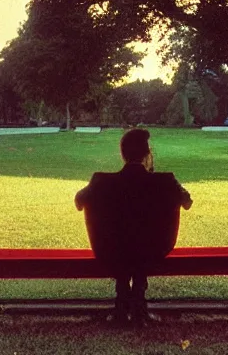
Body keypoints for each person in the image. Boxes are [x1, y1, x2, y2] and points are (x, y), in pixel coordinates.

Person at [75, 128, 192, 325]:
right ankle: (138, 307)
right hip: (153, 249)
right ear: (147, 153)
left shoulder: (100, 182)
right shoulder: (166, 181)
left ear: (123, 154)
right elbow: (187, 202)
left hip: (111, 249)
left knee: (125, 245)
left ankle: (122, 306)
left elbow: (79, 202)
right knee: (140, 246)